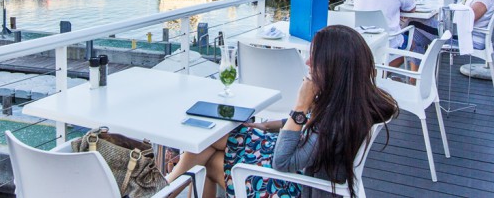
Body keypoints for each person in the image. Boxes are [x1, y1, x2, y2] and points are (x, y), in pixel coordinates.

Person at [167, 25, 399, 198]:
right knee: (211, 139)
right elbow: (311, 129)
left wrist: (300, 106)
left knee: (209, 160)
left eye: (315, 58)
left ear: (333, 67)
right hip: (301, 164)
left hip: (296, 184)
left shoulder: (335, 122)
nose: (307, 63)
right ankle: (165, 188)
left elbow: (282, 161)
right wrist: (269, 125)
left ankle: (164, 189)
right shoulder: (351, 102)